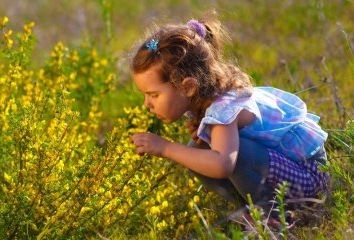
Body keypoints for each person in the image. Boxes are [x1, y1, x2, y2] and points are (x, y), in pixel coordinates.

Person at [129, 12, 329, 226]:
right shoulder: (207, 96)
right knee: (196, 152)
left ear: (187, 87)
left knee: (227, 156)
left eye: (153, 95)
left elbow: (223, 165)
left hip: (310, 178)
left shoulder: (222, 110)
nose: (147, 104)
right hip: (288, 169)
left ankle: (272, 217)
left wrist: (166, 148)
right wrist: (204, 137)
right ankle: (253, 207)